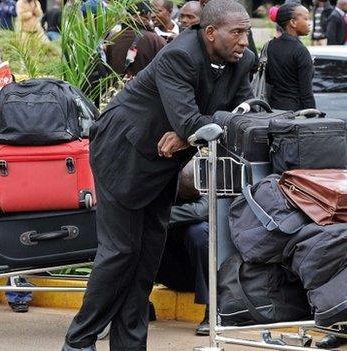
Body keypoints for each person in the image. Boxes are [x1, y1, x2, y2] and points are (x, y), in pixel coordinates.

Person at [61, 0, 256, 349]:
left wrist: (189, 134)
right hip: (122, 150)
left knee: (146, 258)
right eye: (237, 32)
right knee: (121, 252)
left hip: (163, 160)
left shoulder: (243, 62)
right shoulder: (178, 56)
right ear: (211, 33)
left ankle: (129, 346)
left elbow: (240, 117)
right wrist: (191, 130)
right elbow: (192, 120)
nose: (244, 40)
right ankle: (79, 341)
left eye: (247, 32)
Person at [155, 163, 209, 336]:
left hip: (201, 278)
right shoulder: (165, 186)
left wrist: (159, 215)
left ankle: (214, 311)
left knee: (199, 232)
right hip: (170, 273)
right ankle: (139, 304)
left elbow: (199, 212)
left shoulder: (211, 187)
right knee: (146, 231)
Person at [266, 3, 316, 111]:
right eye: (306, 19)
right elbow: (306, 92)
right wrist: (313, 117)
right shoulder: (300, 50)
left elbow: (269, 79)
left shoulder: (270, 46)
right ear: (293, 22)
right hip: (295, 113)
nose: (309, 23)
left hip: (273, 110)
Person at [103, 2, 166, 80]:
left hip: (117, 90)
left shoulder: (113, 38)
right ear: (148, 14)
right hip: (145, 90)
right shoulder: (155, 40)